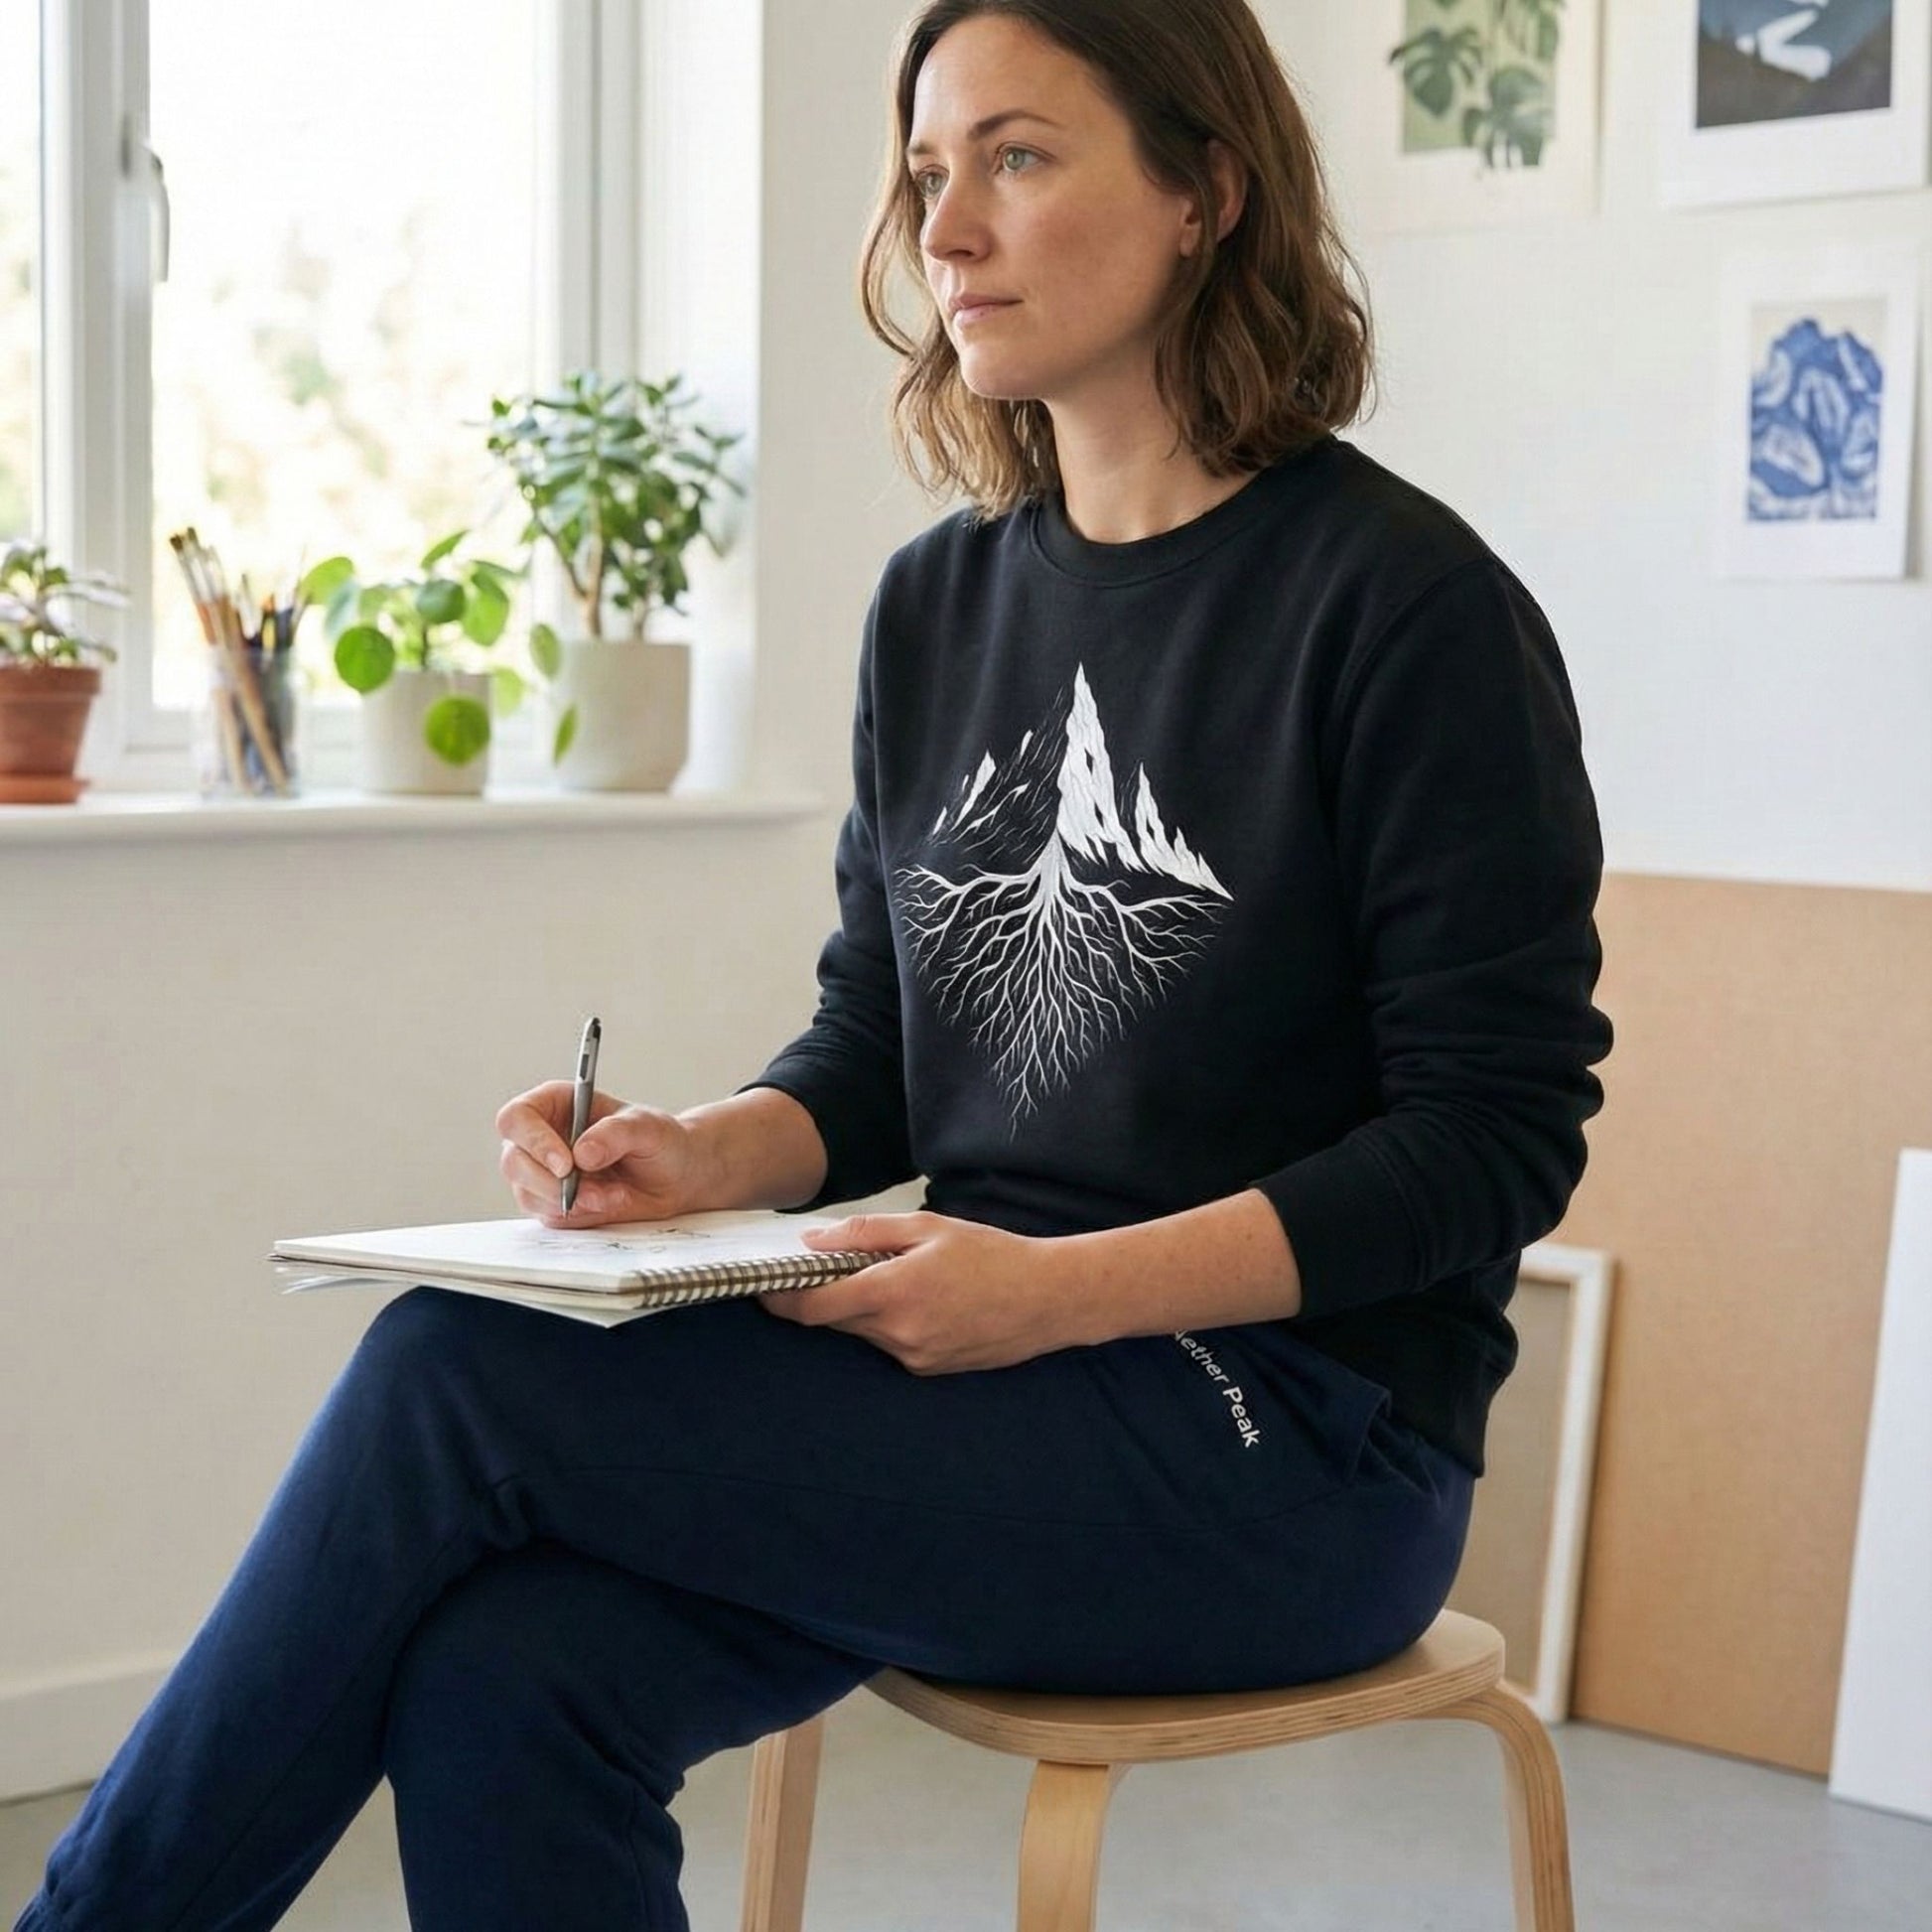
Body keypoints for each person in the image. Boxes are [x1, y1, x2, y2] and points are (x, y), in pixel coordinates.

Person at [13, 1, 1612, 1926]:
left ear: (1206, 189)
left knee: (460, 1367)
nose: (946, 228)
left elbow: (1492, 1141)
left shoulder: (1406, 610)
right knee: (508, 1672)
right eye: (930, 171)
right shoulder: (940, 603)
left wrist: (1060, 1294)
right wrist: (710, 1153)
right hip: (989, 1374)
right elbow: (880, 1044)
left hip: (1293, 1451)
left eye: (1017, 155)